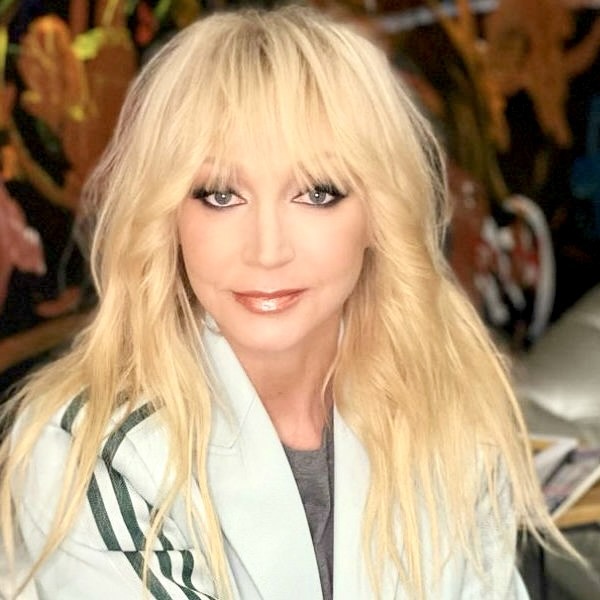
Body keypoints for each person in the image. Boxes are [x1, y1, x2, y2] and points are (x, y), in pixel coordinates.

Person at [0, 5, 573, 599]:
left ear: (378, 215)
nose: (267, 251)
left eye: (317, 193)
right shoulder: (91, 452)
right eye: (220, 195)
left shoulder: (446, 408)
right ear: (169, 218)